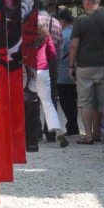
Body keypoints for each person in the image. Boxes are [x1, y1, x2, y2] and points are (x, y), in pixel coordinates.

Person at [70, 0, 104, 144]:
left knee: (86, 101)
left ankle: (88, 135)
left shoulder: (80, 20)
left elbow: (74, 45)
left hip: (85, 66)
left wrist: (71, 65)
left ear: (87, 1)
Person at [27, 14, 68, 147]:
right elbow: (53, 54)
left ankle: (32, 134)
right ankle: (57, 131)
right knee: (48, 102)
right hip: (44, 70)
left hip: (29, 71)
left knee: (30, 102)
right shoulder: (45, 35)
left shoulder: (25, 36)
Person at [55, 8, 79, 135]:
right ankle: (73, 125)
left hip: (63, 72)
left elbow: (58, 55)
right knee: (74, 100)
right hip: (77, 70)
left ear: (62, 21)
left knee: (66, 101)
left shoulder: (62, 35)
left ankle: (72, 126)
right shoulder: (77, 33)